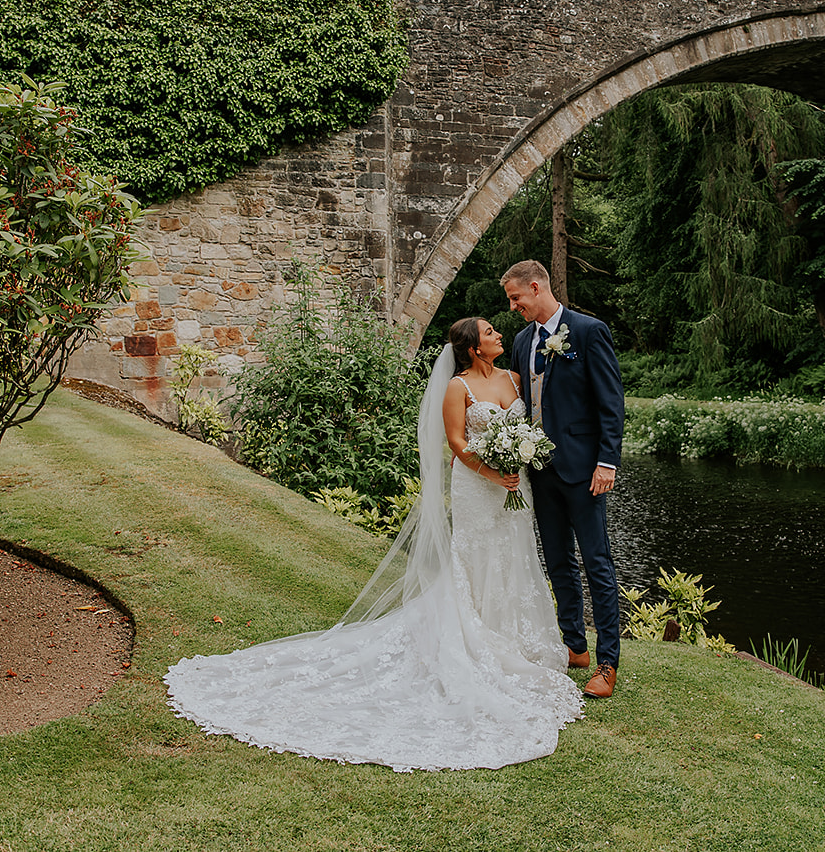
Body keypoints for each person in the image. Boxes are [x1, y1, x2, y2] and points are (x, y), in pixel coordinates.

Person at [164, 317, 581, 772]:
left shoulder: (515, 378)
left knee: (514, 555)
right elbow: (457, 442)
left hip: (515, 486)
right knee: (476, 556)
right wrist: (491, 473)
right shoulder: (457, 388)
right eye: (489, 332)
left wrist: (518, 461)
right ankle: (473, 634)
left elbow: (531, 424)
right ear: (473, 347)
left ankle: (516, 638)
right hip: (479, 488)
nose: (498, 334)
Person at [504, 259, 626, 699]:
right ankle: (575, 645)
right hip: (540, 471)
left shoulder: (589, 331)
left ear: (536, 287)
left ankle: (607, 662)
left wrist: (607, 462)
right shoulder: (522, 341)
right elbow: (519, 401)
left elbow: (611, 401)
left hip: (583, 469)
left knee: (597, 563)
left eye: (516, 298)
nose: (513, 306)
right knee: (557, 561)